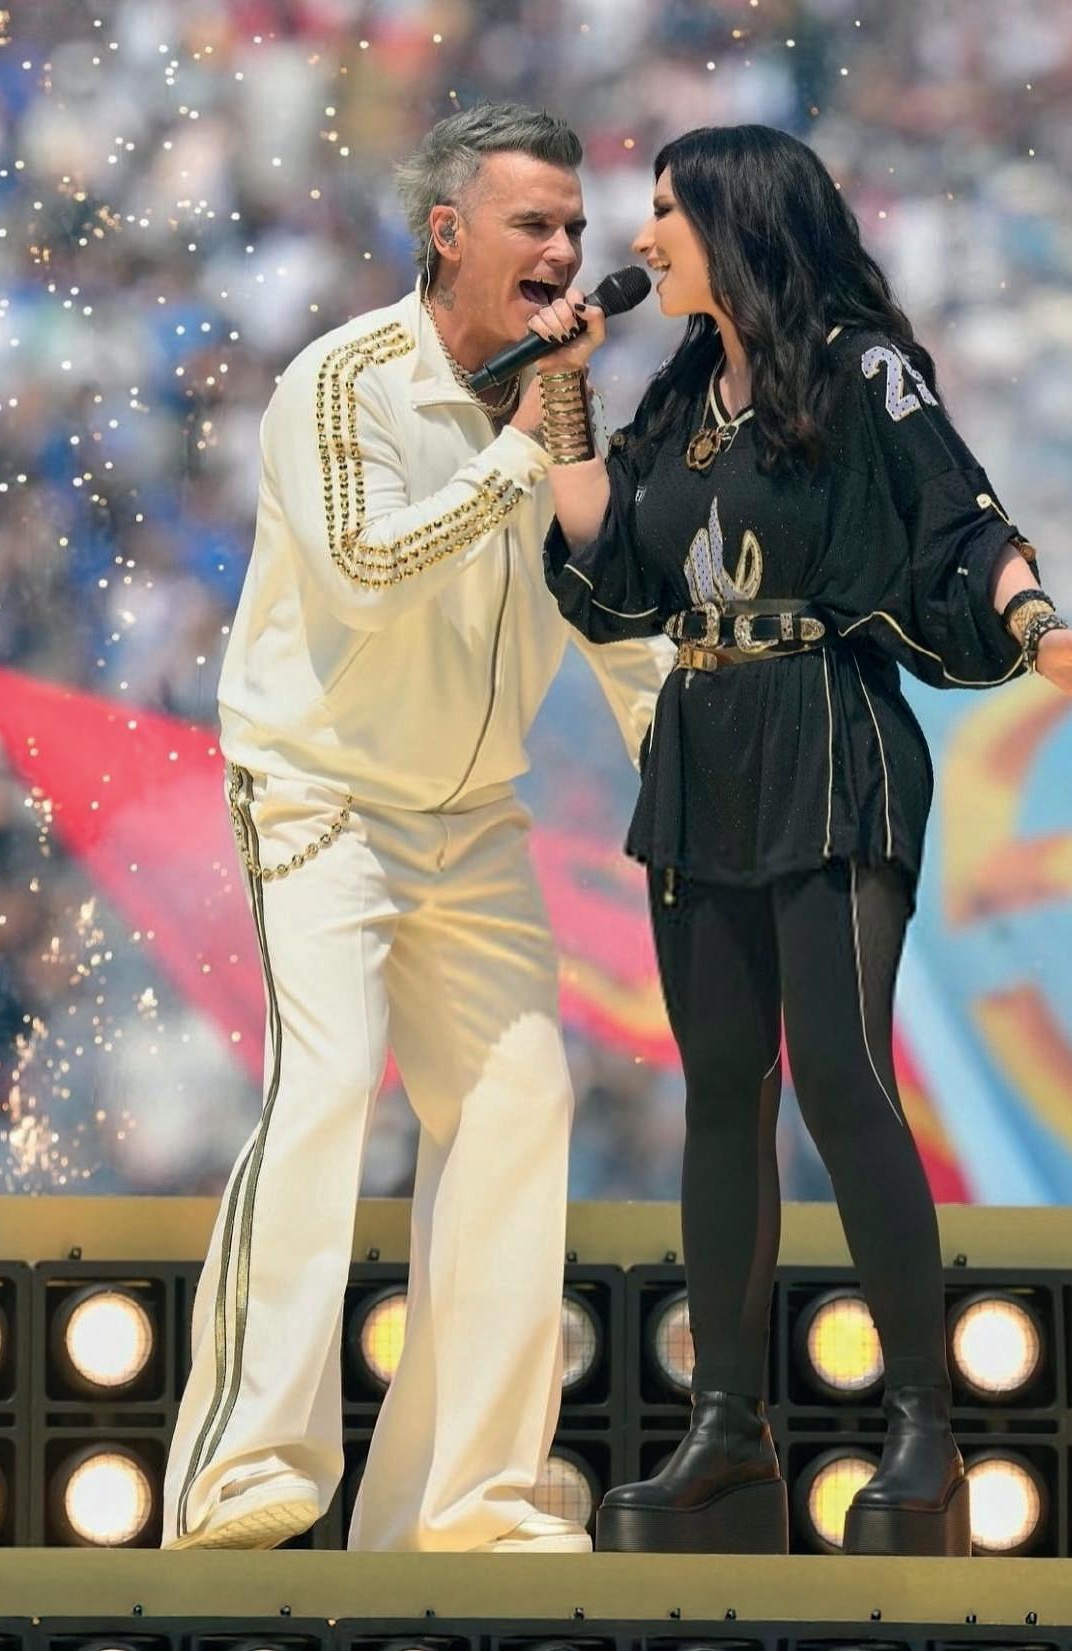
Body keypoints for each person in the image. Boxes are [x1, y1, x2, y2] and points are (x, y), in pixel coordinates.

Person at [520, 123, 1072, 1558]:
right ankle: (729, 1434)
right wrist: (564, 393)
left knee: (838, 1071)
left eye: (663, 209)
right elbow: (615, 567)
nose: (639, 237)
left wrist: (1036, 623)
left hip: (829, 734)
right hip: (704, 746)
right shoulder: (684, 388)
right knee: (720, 1088)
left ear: (735, 218)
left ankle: (925, 1433)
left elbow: (961, 519)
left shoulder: (857, 364)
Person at [162, 103, 673, 1556]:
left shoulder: (560, 408)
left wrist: (682, 761)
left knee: (520, 1112)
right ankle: (240, 1469)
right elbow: (367, 573)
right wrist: (517, 447)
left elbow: (608, 604)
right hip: (320, 797)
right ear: (446, 233)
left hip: (475, 817)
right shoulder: (342, 380)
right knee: (328, 1089)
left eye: (573, 227)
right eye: (534, 225)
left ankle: (465, 1504)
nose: (565, 251)